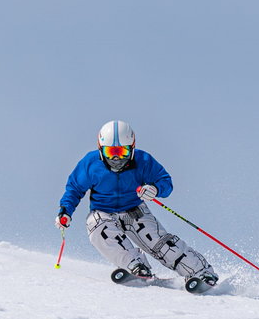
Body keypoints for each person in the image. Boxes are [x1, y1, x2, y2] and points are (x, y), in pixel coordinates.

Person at [56, 120, 218, 290]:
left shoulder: (143, 160)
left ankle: (200, 272)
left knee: (158, 242)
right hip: (103, 212)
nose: (117, 158)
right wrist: (65, 211)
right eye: (111, 152)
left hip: (135, 211)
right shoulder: (90, 163)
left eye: (123, 151)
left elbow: (165, 182)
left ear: (132, 148)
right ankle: (136, 266)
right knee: (97, 226)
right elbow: (74, 189)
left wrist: (155, 189)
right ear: (100, 148)